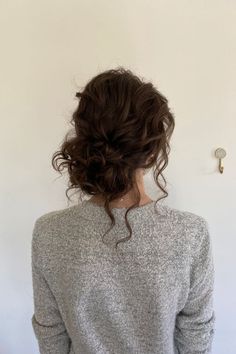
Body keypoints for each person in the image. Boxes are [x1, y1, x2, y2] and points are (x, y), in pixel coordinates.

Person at [31, 67, 215, 353]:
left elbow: (51, 335)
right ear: (153, 152)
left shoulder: (48, 232)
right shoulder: (190, 233)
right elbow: (196, 338)